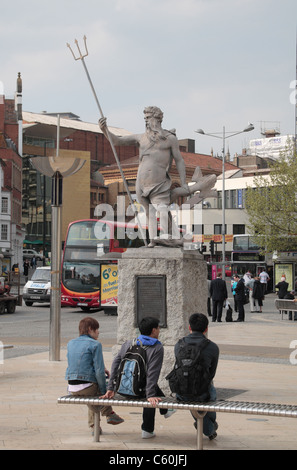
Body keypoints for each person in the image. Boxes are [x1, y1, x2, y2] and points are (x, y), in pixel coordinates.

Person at [99, 107, 190, 246]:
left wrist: (184, 183)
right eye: (145, 118)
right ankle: (153, 240)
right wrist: (105, 129)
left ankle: (165, 236)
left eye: (148, 118)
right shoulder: (141, 138)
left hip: (159, 181)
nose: (146, 121)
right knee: (149, 212)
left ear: (157, 118)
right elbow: (117, 141)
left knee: (162, 208)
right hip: (141, 182)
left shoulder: (170, 138)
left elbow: (179, 160)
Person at [102, 316, 174, 439]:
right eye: (158, 328)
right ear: (153, 330)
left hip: (123, 389)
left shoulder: (129, 343)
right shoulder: (156, 348)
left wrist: (111, 387)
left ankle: (165, 410)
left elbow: (115, 364)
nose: (159, 330)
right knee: (151, 393)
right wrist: (150, 395)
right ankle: (148, 428)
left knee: (149, 388)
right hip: (140, 391)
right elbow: (153, 373)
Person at [65, 317, 124, 433]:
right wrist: (104, 391)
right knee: (102, 390)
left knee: (92, 394)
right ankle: (109, 413)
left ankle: (94, 427)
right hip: (87, 386)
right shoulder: (95, 344)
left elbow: (79, 364)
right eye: (97, 329)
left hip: (71, 386)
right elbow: (99, 371)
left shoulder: (70, 343)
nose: (98, 332)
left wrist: (103, 369)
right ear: (90, 329)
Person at [174, 313, 219, 440]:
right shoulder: (213, 347)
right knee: (208, 390)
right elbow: (212, 373)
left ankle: (208, 426)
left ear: (189, 327)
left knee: (191, 386)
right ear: (206, 329)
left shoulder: (179, 345)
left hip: (181, 392)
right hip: (203, 393)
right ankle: (210, 428)